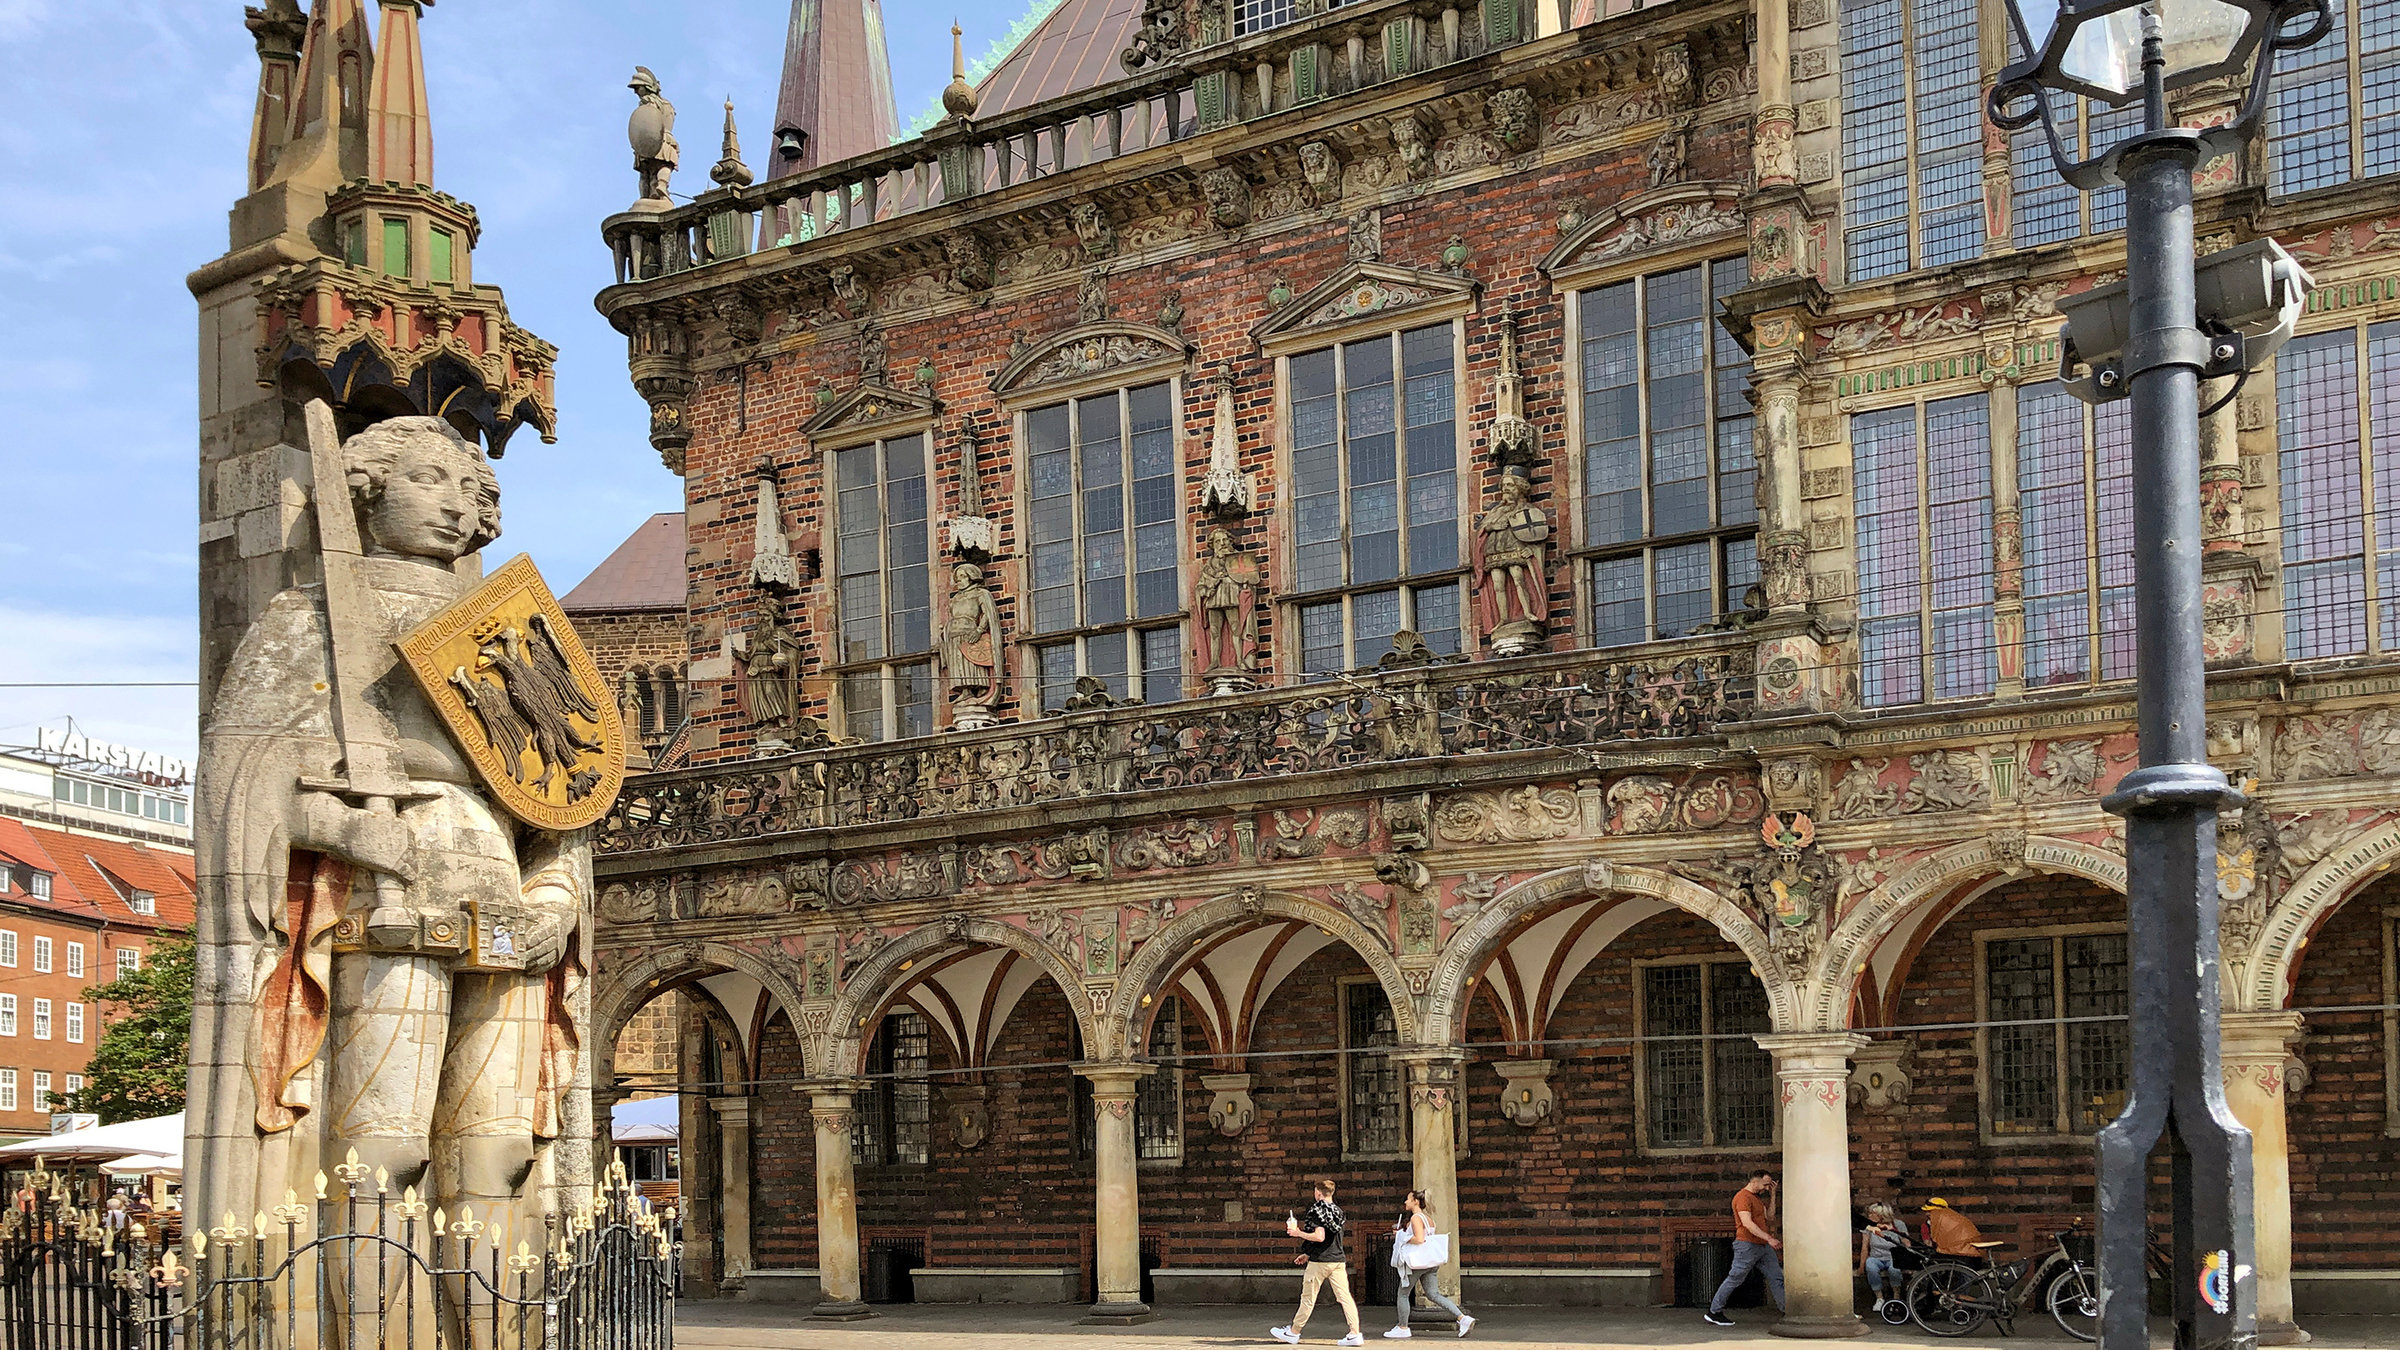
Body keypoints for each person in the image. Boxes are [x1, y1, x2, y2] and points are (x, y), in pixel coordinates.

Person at [1272, 1179, 1364, 1347]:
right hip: (1338, 1260)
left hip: (1320, 1262)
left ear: (1319, 1193)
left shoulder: (1317, 1211)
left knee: (1308, 1298)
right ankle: (1354, 1333)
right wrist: (1307, 1253)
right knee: (1345, 1298)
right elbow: (1329, 1238)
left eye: (1315, 1191)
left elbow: (1320, 1237)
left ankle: (1294, 1332)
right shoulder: (1338, 1211)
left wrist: (1298, 1232)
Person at [1385, 1189, 1474, 1339]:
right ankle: (1462, 1318)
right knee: (1433, 1294)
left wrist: (1400, 1236)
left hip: (1417, 1263)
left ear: (1415, 1201)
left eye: (1408, 1199)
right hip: (1430, 1263)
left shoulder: (1415, 1219)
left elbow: (1419, 1239)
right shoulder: (1429, 1219)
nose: (1405, 1202)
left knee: (1403, 1294)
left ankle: (1403, 1327)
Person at [1703, 1169, 1785, 1327]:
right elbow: (1747, 1223)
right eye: (1765, 1185)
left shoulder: (1757, 1199)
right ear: (1754, 1181)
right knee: (1735, 1278)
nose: (1766, 1188)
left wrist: (1773, 1195)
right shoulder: (1742, 1197)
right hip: (1747, 1245)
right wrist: (1769, 1238)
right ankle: (1714, 1312)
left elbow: (1770, 1217)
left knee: (1776, 1277)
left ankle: (1786, 1309)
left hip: (1762, 1246)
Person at [1856, 1201, 1906, 1316]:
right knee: (1870, 1265)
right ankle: (1879, 1298)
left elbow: (1906, 1243)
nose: (1869, 1217)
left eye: (1872, 1214)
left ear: (1881, 1216)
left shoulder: (1898, 1224)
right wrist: (1861, 1267)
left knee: (1894, 1269)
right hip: (1876, 1257)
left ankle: (1896, 1297)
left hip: (1893, 1257)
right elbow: (1865, 1247)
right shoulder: (1868, 1227)